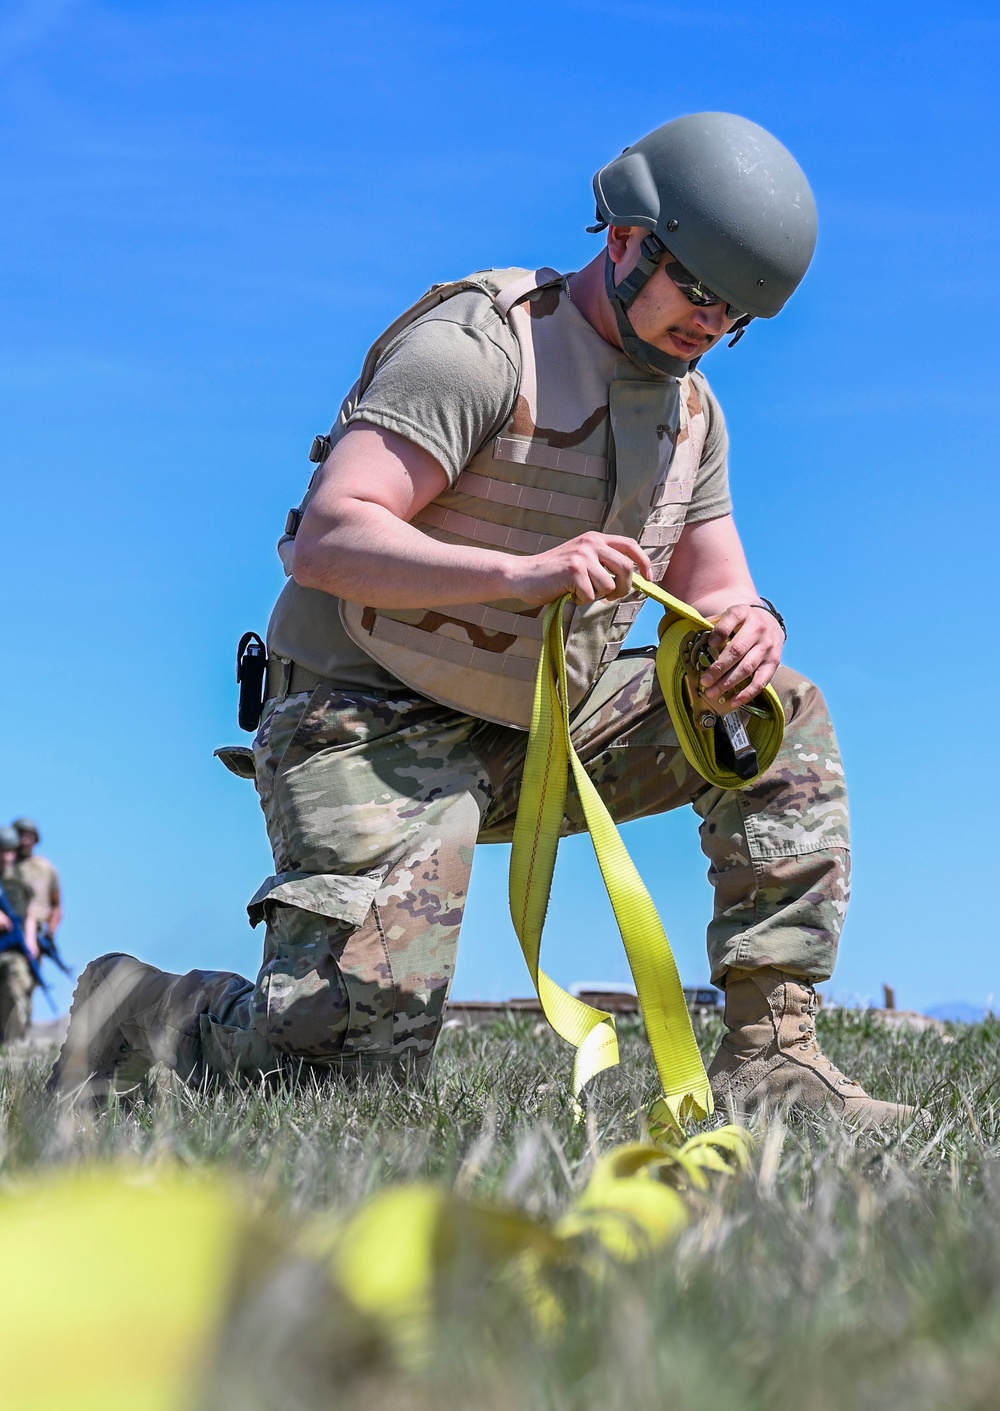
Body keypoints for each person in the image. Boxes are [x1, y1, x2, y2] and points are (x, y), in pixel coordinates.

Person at [52, 112, 922, 1127]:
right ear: (627, 237)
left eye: (736, 312)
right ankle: (138, 1006)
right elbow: (328, 536)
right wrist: (520, 574)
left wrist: (746, 627)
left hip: (543, 727)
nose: (709, 322)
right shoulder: (478, 349)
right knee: (337, 1090)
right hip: (362, 718)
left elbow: (721, 580)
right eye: (696, 285)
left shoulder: (691, 416)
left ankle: (773, 1056)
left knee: (774, 710)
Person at [0, 826, 40, 1043]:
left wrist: (31, 940)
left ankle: (13, 1041)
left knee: (18, 984)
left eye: (9, 851)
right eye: (1, 851)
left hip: (12, 948)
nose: (5, 856)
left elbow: (30, 911)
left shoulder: (18, 881)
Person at [12, 819, 62, 938]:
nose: (24, 841)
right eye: (20, 836)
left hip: (37, 931)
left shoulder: (45, 868)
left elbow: (57, 905)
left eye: (29, 837)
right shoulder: (5, 865)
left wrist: (50, 931)